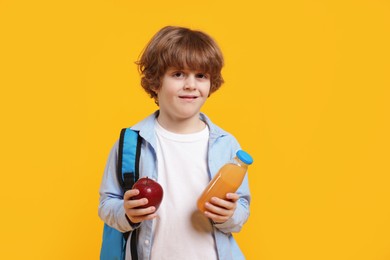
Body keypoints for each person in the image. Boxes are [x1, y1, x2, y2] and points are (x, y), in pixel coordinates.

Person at [98, 25, 251, 260]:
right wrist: (126, 212)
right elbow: (107, 204)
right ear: (156, 81)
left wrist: (229, 215)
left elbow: (241, 208)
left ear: (211, 83)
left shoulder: (226, 144)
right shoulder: (131, 142)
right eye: (178, 74)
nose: (190, 85)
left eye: (200, 76)